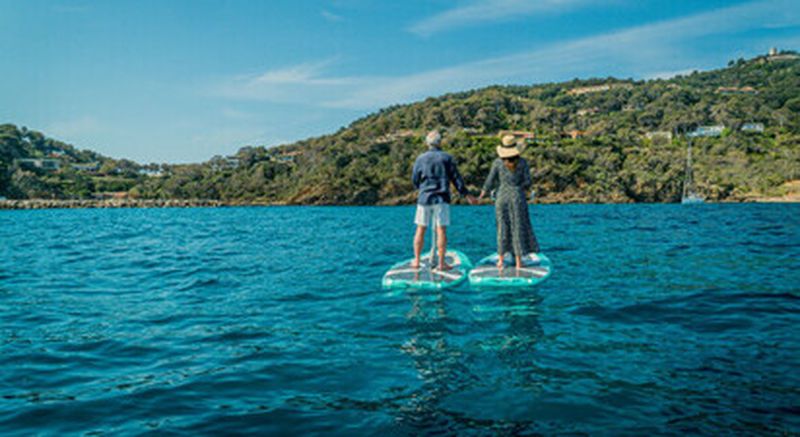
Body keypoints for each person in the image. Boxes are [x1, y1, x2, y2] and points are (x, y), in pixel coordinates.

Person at [411, 130, 475, 270]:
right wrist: (466, 194)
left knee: (420, 229)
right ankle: (441, 263)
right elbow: (456, 178)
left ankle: (416, 261)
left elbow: (415, 179)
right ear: (440, 143)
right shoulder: (447, 158)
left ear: (427, 143)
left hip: (424, 198)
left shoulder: (420, 159)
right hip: (441, 198)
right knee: (441, 230)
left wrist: (420, 188)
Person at [478, 135, 541, 270]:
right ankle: (519, 262)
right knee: (518, 227)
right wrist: (520, 186)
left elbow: (490, 181)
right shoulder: (522, 163)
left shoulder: (497, 163)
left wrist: (482, 193)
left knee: (503, 227)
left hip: (502, 197)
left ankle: (500, 261)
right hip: (517, 196)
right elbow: (528, 182)